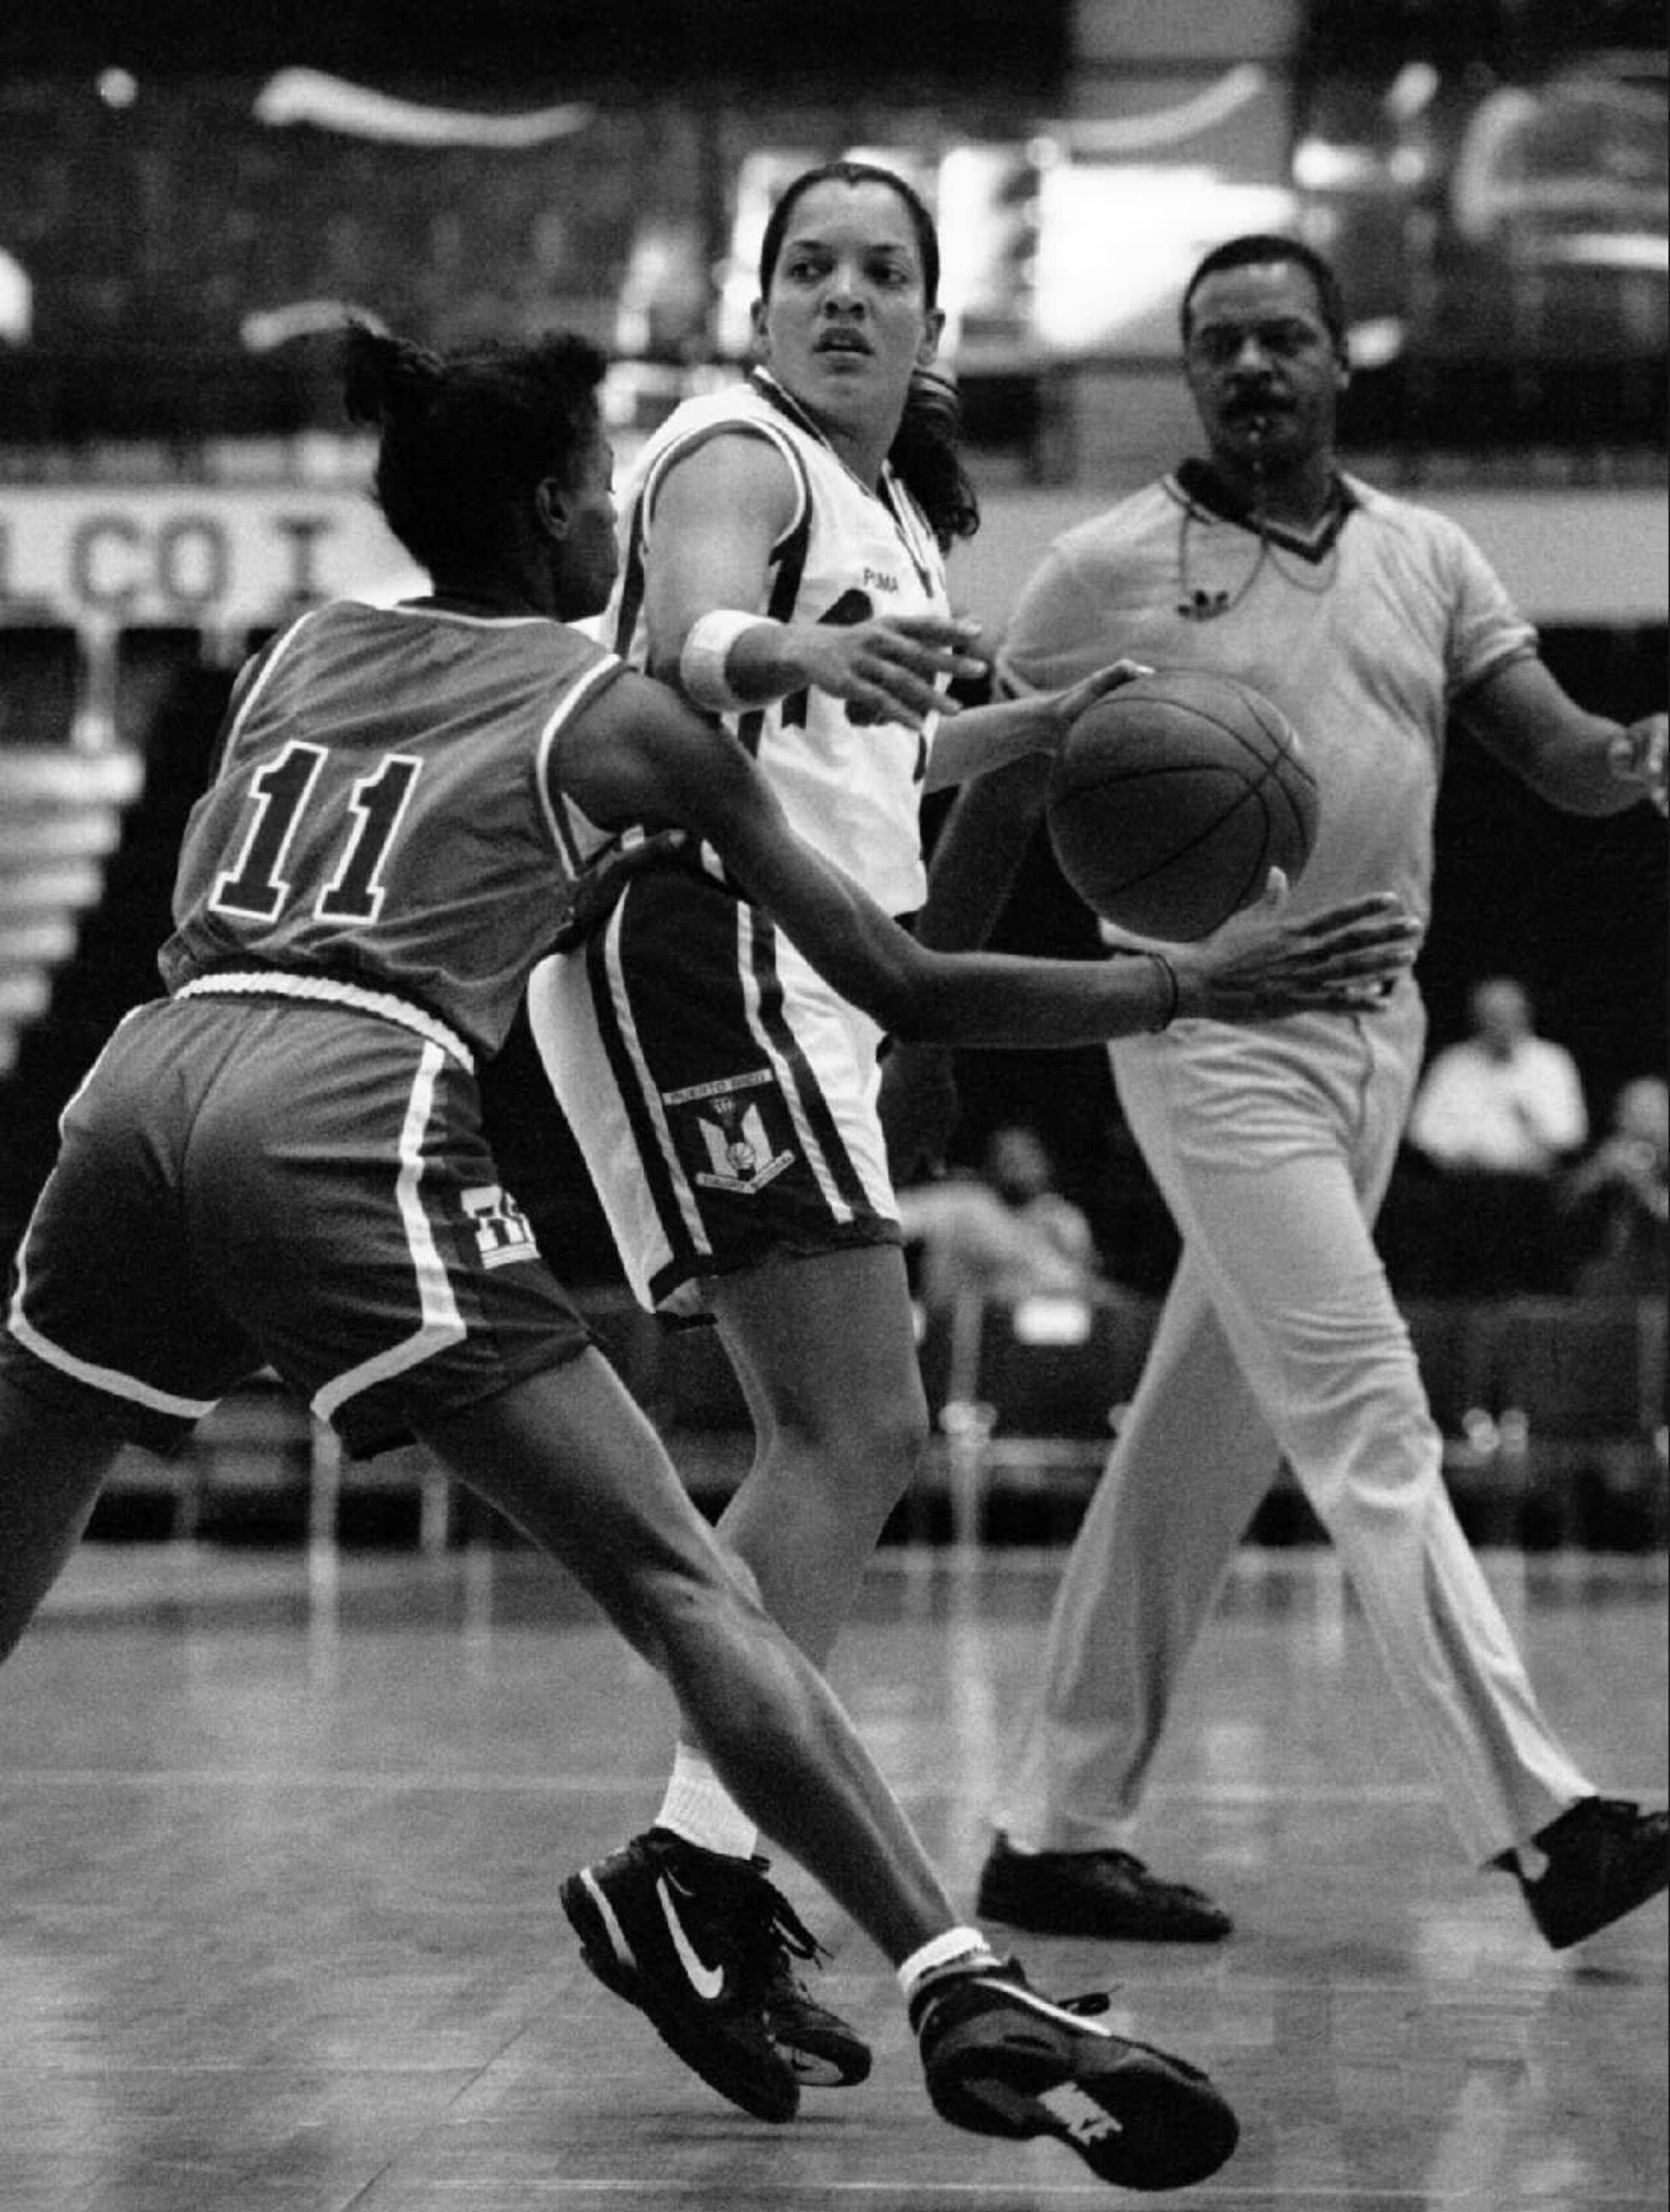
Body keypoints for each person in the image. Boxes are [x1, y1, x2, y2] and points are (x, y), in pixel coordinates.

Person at [0, 322, 1422, 2188]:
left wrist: (1030, 732)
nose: (619, 506)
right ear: (558, 510)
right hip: (344, 1096)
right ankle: (958, 1972)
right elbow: (903, 974)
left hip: (137, 1081)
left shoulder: (298, 650)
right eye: (601, 484)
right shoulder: (621, 717)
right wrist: (1186, 980)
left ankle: (814, 1925)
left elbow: (319, 837)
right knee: (689, 1579)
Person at [522, 163, 1415, 2087]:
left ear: (930, 322)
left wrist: (1016, 732)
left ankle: (699, 1851)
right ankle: (692, 1857)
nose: (845, 298)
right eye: (810, 269)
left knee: (855, 1424)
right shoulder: (734, 450)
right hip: (700, 931)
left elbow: (865, 748)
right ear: (759, 310)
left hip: (791, 958)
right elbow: (685, 642)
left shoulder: (893, 531)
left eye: (885, 275)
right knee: (848, 1419)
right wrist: (791, 656)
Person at [880, 233, 1669, 1954]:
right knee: (1370, 1414)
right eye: (1221, 343)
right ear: (1190, 371)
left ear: (1336, 364)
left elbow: (1561, 751)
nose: (1253, 367)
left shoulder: (1427, 552)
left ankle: (1050, 1825)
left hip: (1376, 1027)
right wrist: (921, 1018)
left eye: (1283, 339)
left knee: (1204, 1435)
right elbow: (1000, 802)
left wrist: (1640, 758)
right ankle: (1544, 1819)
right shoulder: (1101, 569)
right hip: (1209, 1026)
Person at [1404, 975, 1587, 1292]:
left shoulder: (1551, 1062)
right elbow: (1422, 1132)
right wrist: (1462, 1153)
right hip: (1466, 1184)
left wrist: (1532, 1122)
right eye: (1490, 1015)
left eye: (1506, 1014)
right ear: (1476, 1018)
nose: (1499, 1023)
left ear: (1525, 1014)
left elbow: (1570, 1134)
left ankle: (1534, 1297)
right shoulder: (1454, 1064)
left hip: (1531, 1186)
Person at [898, 1119, 1104, 1308]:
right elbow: (891, 1218)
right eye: (1009, 1158)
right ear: (990, 1165)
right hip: (953, 1325)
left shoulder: (1063, 1218)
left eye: (1026, 1158)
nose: (1018, 1167)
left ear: (1045, 1165)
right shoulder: (962, 1203)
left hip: (1037, 1333)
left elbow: (1083, 1284)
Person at [1560, 1073, 1669, 1298]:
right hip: (1621, 1265)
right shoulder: (1615, 1153)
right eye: (1631, 1112)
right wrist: (1596, 1172)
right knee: (1594, 1281)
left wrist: (1641, 1183)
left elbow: (1662, 1212)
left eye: (1650, 1112)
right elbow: (1565, 1203)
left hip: (1663, 1263)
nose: (1641, 1122)